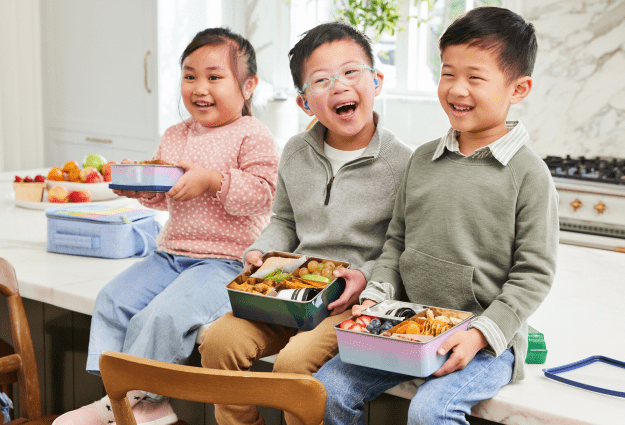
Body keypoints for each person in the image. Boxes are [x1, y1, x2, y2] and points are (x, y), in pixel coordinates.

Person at [314, 7, 559, 425]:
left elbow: (533, 275)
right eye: (448, 74)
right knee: (327, 390)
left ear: (519, 89)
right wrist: (374, 299)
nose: (457, 89)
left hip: (482, 343)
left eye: (475, 77)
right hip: (406, 329)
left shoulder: (529, 174)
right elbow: (396, 244)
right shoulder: (422, 159)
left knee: (431, 411)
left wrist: (482, 334)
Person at [53, 28, 280, 425]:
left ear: (248, 86)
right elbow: (164, 192)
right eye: (189, 76)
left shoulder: (253, 135)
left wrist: (213, 180)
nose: (199, 87)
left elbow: (265, 193)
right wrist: (139, 187)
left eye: (213, 76)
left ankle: (140, 401)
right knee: (112, 300)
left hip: (227, 263)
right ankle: (124, 400)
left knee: (162, 317)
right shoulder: (176, 135)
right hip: (169, 255)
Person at [198, 21, 412, 425]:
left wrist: (364, 277)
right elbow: (283, 220)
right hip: (289, 293)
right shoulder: (296, 151)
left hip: (349, 302)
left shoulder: (404, 163)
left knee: (293, 364)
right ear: (304, 103)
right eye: (321, 80)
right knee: (218, 341)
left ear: (377, 81)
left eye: (351, 72)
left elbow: (401, 248)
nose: (340, 86)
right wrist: (260, 250)